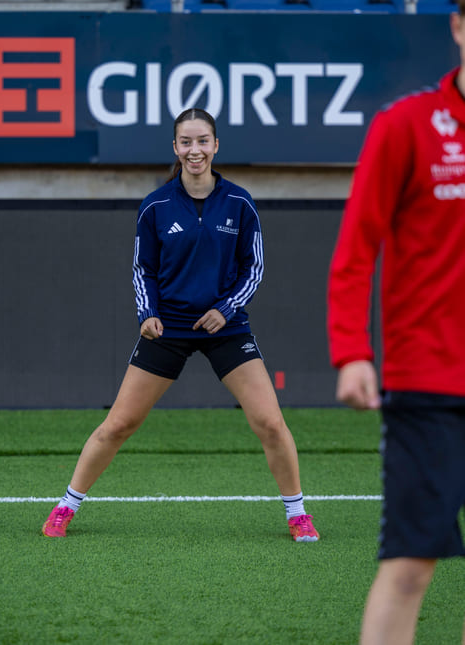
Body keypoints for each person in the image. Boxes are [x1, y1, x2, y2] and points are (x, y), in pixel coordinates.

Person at [43, 108, 319, 543]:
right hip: (167, 328)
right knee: (118, 424)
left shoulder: (240, 202)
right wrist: (146, 313)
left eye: (203, 141)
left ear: (215, 146)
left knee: (270, 423)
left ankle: (298, 514)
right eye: (186, 142)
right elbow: (142, 270)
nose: (195, 150)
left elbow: (255, 268)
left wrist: (226, 309)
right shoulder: (155, 206)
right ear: (175, 147)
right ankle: (65, 506)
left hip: (225, 328)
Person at [327, 8, 465, 645]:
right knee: (411, 566)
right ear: (459, 25)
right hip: (430, 384)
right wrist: (352, 351)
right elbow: (358, 246)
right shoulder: (406, 124)